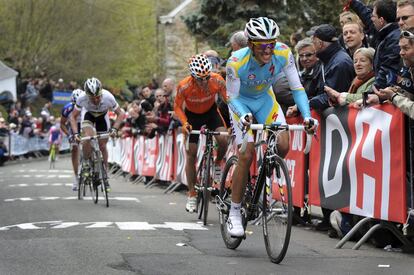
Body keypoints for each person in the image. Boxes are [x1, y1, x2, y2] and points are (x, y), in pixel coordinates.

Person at [225, 17, 317, 237]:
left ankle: (267, 167)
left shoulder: (283, 53)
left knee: (284, 145)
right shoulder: (236, 61)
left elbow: (297, 88)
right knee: (246, 155)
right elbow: (231, 97)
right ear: (250, 44)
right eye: (262, 45)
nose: (268, 50)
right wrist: (244, 116)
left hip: (265, 100)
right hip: (241, 104)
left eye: (271, 44)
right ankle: (235, 212)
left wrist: (306, 116)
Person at [174, 54, 229, 213]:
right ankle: (192, 193)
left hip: (211, 113)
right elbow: (177, 107)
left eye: (206, 77)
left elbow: (229, 100)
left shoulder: (217, 79)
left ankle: (218, 163)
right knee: (191, 154)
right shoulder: (184, 86)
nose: (204, 81)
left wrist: (237, 118)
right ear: (192, 76)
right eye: (200, 79)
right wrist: (184, 123)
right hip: (192, 117)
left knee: (223, 139)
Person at [70, 77, 125, 192]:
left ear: (101, 93)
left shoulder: (108, 97)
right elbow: (72, 116)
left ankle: (104, 173)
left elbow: (120, 114)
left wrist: (115, 129)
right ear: (87, 95)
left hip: (102, 117)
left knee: (102, 146)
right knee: (88, 137)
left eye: (98, 97)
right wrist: (75, 133)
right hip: (88, 115)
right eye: (92, 98)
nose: (95, 100)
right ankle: (85, 162)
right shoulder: (82, 98)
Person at [375, 29, 414, 118]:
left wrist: (394, 96)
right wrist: (386, 96)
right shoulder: (410, 67)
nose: (401, 53)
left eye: (406, 48)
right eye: (400, 48)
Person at [60, 89, 84, 191]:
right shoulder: (68, 108)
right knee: (75, 149)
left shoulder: (87, 106)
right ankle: (76, 177)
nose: (77, 107)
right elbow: (62, 124)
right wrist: (69, 134)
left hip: (84, 126)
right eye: (75, 104)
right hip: (73, 128)